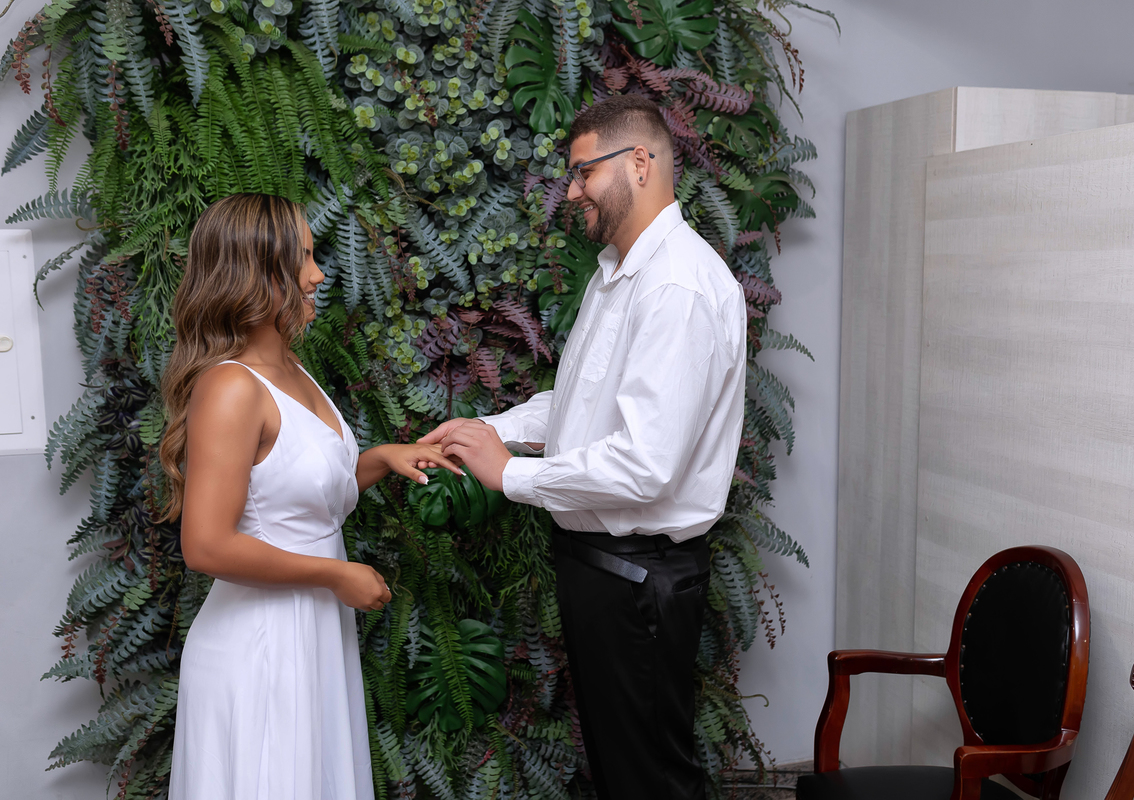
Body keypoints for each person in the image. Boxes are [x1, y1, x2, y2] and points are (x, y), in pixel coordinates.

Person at [420, 95, 748, 800]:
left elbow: (644, 464)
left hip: (638, 580)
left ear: (640, 162)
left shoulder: (676, 287)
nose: (571, 193)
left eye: (582, 172)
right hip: (606, 573)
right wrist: (492, 432)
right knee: (625, 776)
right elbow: (584, 405)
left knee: (652, 783)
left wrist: (511, 476)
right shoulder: (618, 273)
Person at [160, 193, 460, 800]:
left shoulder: (291, 369)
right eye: (302, 258)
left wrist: (378, 458)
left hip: (313, 637)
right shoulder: (231, 387)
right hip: (262, 648)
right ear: (256, 270)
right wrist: (335, 575)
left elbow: (296, 498)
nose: (318, 274)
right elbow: (206, 545)